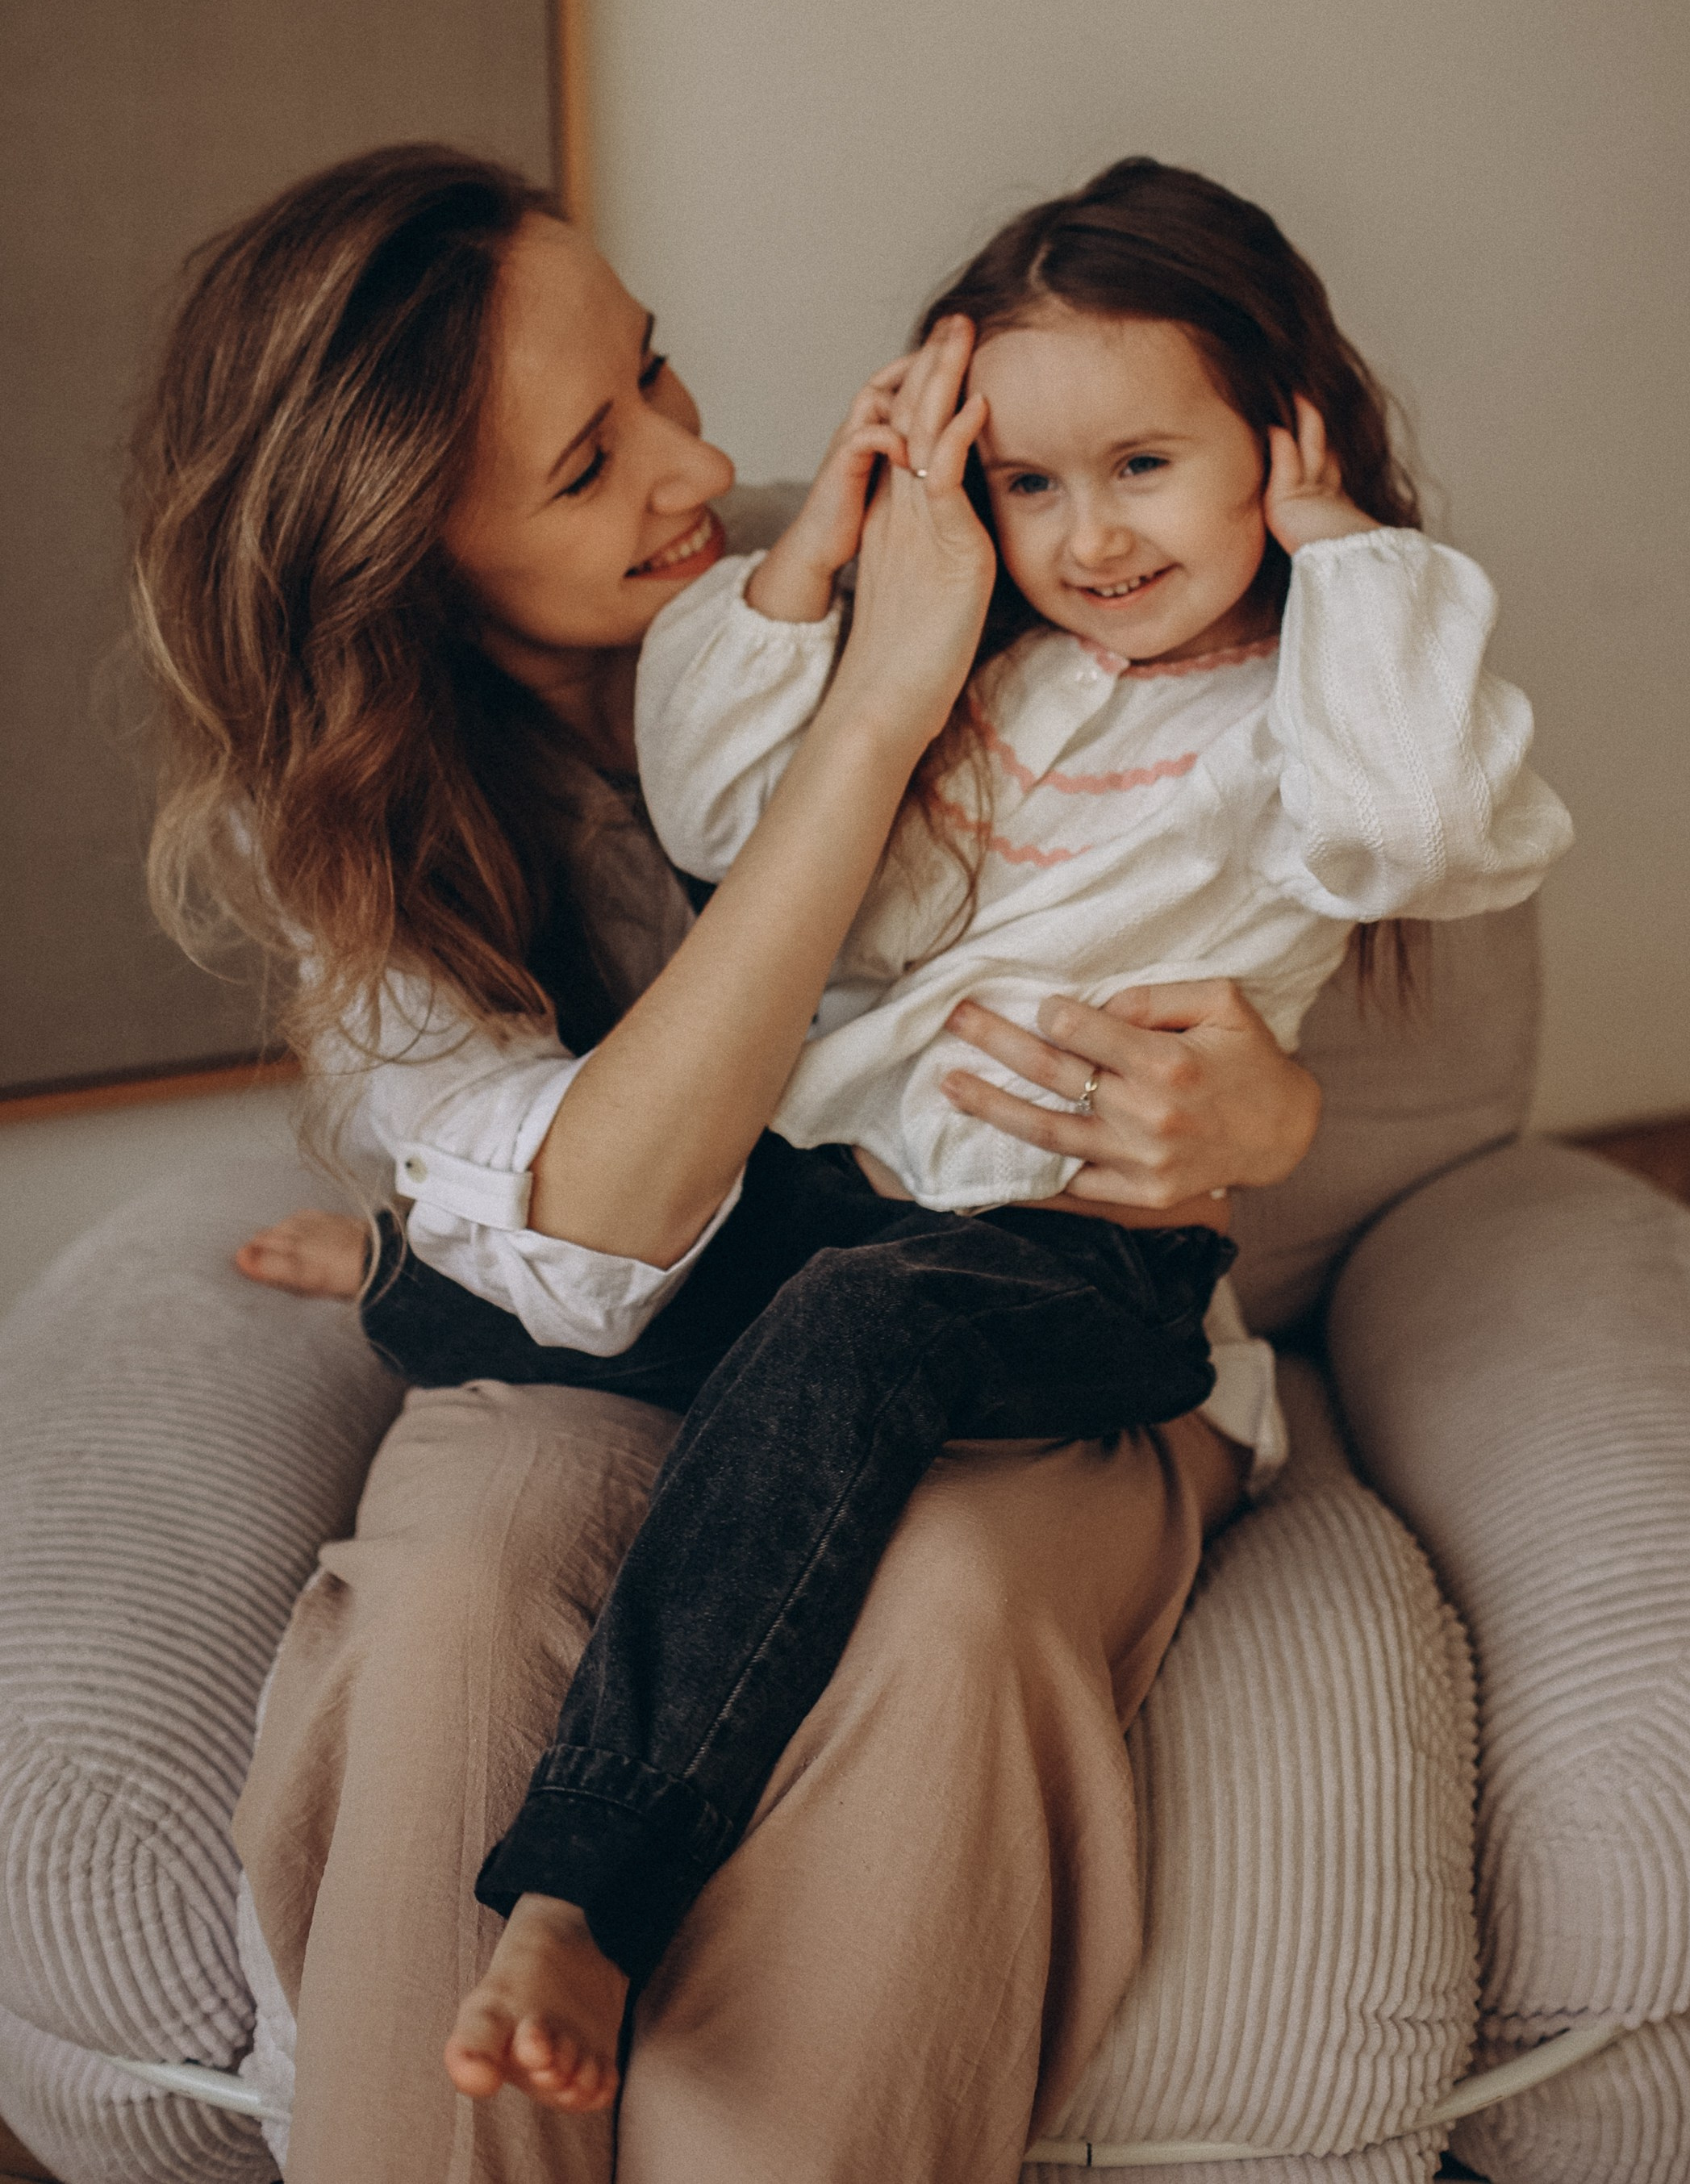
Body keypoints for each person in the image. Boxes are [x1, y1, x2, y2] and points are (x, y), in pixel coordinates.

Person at [311, 155, 1571, 2113]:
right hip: (858, 1210)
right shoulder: (996, 676)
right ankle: (407, 1261)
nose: (1090, 536)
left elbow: (1418, 820)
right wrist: (834, 572)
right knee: (513, 1309)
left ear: (1278, 437)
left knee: (851, 1336)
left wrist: (1350, 549)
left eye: (1145, 465)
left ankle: (589, 1880)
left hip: (1072, 1256)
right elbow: (734, 814)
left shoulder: (1308, 710)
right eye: (1030, 482)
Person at [131, 143, 1325, 2182]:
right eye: (591, 463)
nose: (706, 469)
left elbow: (1248, 897)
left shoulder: (937, 560)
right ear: (410, 556)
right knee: (473, 1576)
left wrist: (1277, 1118)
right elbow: (583, 1245)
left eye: (660, 380)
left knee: (951, 1597)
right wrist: (871, 722)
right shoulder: (347, 827)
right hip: (616, 1325)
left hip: (998, 1317)